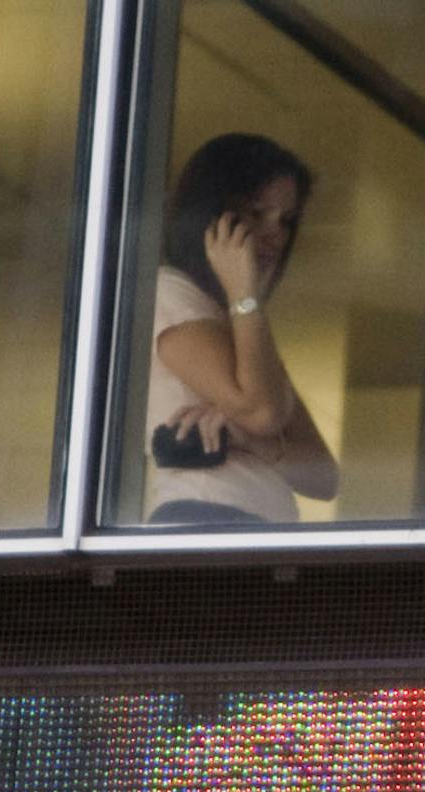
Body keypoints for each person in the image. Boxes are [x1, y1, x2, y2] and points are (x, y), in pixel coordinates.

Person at [147, 133, 338, 524]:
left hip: (264, 528)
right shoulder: (171, 294)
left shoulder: (239, 321)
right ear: (209, 212)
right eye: (255, 212)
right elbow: (262, 409)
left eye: (286, 220)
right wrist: (244, 291)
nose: (274, 234)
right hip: (202, 516)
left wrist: (254, 441)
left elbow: (324, 477)